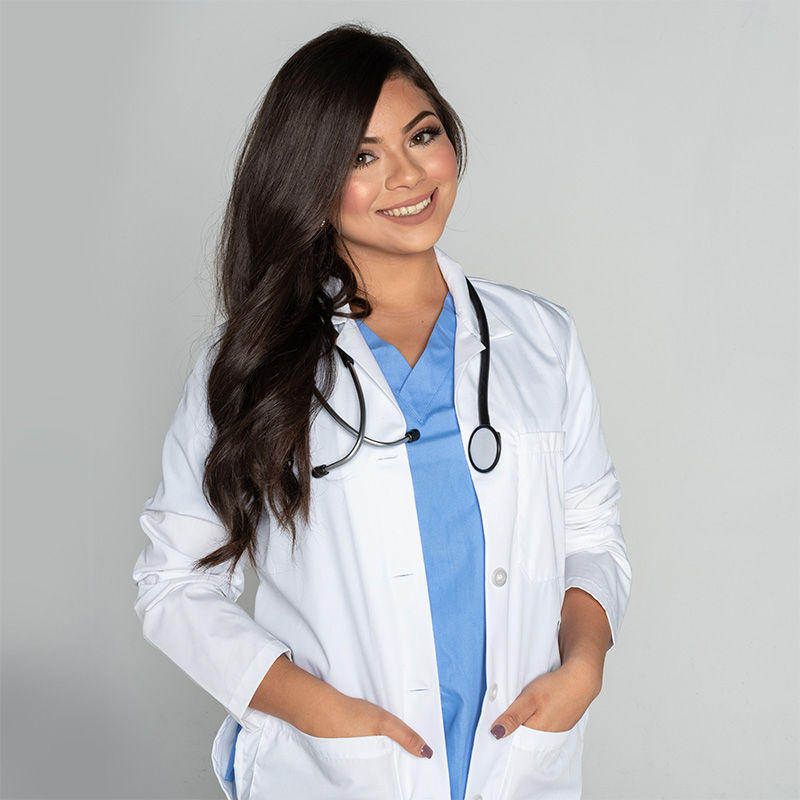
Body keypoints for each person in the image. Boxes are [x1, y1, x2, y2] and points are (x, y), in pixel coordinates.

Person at [133, 24, 631, 800]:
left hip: (515, 764)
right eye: (362, 157)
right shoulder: (255, 363)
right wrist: (322, 712)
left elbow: (592, 534)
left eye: (421, 135)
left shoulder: (540, 339)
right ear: (310, 180)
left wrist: (584, 665)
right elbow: (174, 583)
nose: (406, 174)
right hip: (336, 774)